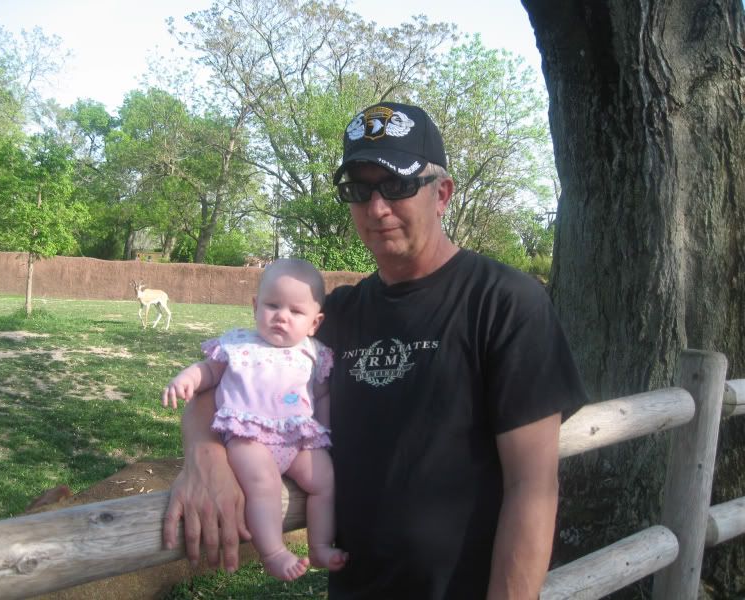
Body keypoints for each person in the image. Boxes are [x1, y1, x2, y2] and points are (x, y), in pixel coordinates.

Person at [162, 102, 588, 598]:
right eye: (359, 190)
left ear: (442, 194)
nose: (377, 207)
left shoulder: (504, 303)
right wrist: (205, 458)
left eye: (397, 185)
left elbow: (532, 488)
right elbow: (229, 375)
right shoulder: (335, 317)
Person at [162, 258, 348, 581]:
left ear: (315, 323)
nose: (282, 316)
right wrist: (187, 378)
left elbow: (321, 395)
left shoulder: (315, 353)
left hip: (296, 440)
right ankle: (273, 553)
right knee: (264, 482)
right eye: (272, 305)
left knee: (325, 479)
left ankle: (319, 546)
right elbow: (209, 372)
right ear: (254, 306)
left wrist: (323, 432)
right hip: (248, 438)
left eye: (296, 311)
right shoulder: (239, 344)